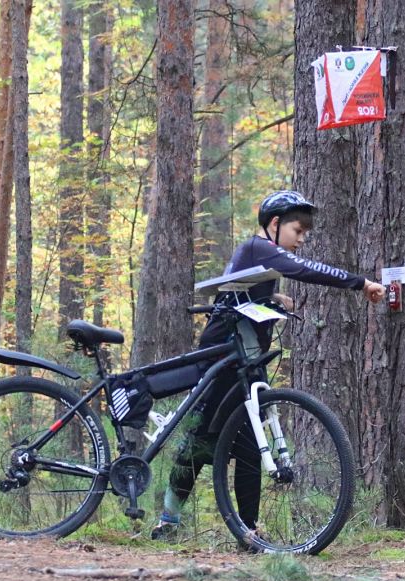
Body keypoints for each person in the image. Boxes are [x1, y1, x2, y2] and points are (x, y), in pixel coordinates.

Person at [151, 190, 384, 541]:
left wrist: (271, 295)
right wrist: (360, 282)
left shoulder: (259, 257)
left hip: (247, 360)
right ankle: (168, 521)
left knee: (248, 446)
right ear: (275, 225)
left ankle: (248, 531)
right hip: (224, 357)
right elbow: (306, 270)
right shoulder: (258, 248)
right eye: (298, 231)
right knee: (200, 442)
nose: (301, 240)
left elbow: (238, 291)